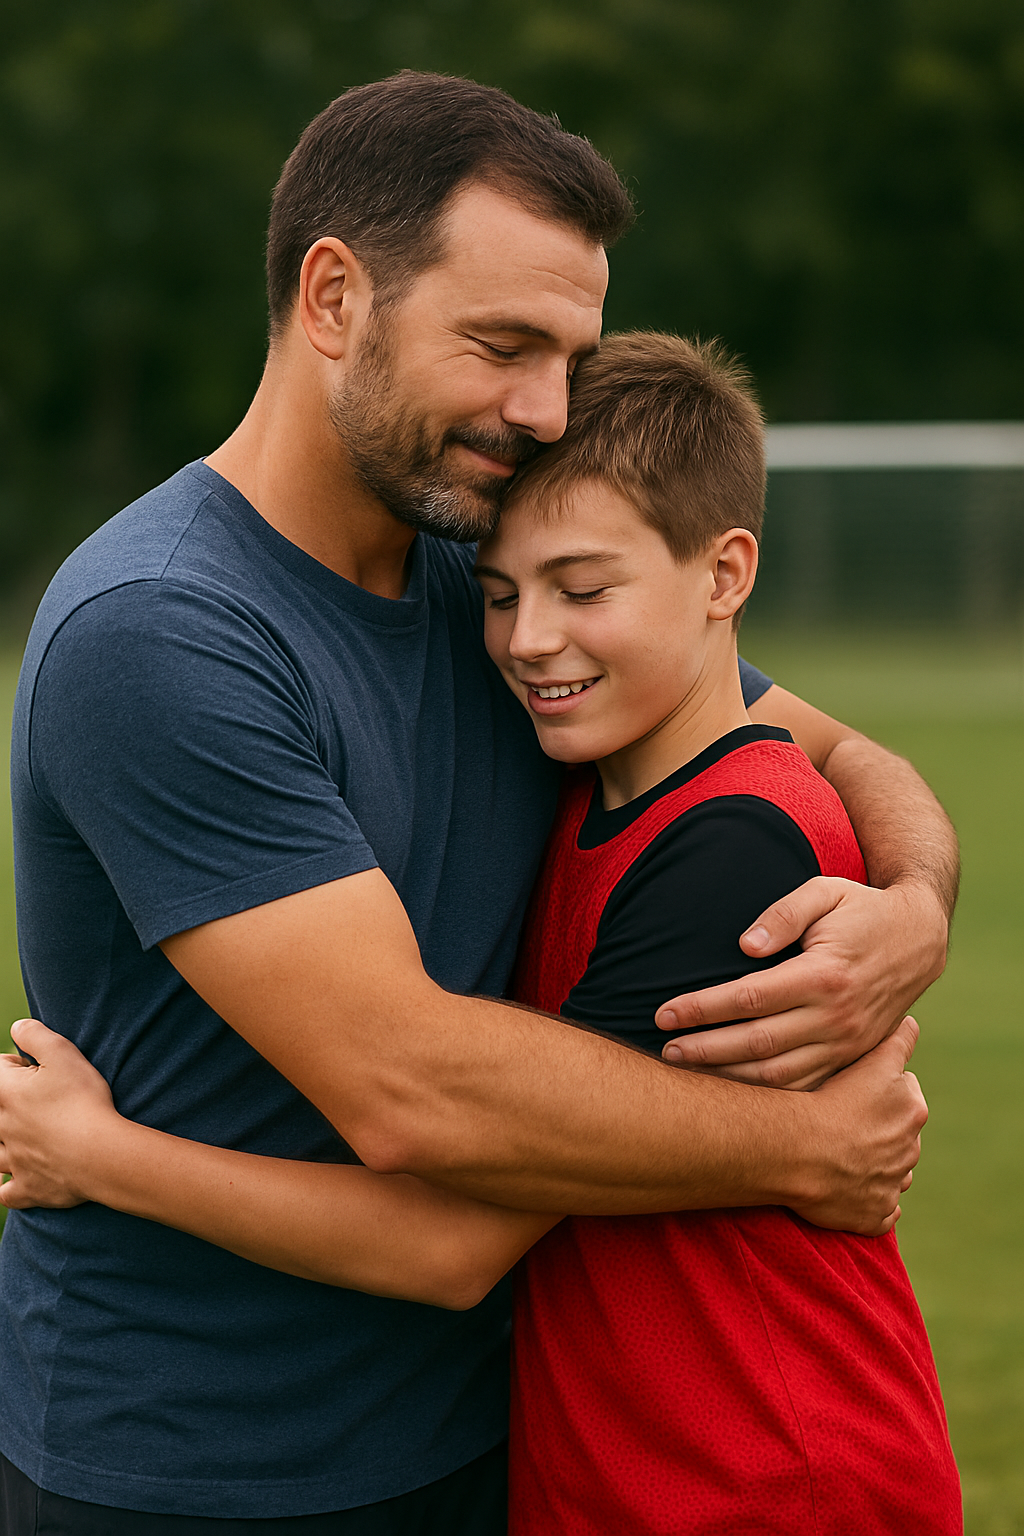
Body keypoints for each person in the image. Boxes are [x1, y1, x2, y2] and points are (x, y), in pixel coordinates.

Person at [0, 72, 954, 1535]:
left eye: (568, 357)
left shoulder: (482, 578)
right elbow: (412, 1089)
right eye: (503, 345)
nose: (544, 410)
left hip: (481, 1428)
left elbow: (817, 742)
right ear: (334, 296)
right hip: (203, 1464)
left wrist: (915, 899)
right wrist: (799, 1148)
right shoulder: (163, 628)